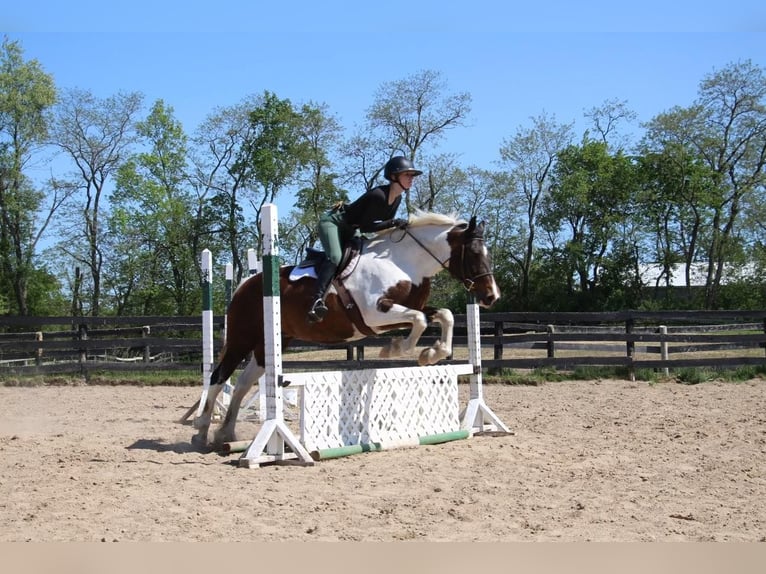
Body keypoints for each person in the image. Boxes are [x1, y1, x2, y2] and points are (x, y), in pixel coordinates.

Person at [306, 156, 423, 324]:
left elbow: (379, 226)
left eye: (412, 176)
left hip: (352, 228)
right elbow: (367, 227)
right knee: (336, 258)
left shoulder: (397, 198)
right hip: (333, 223)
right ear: (394, 176)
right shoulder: (378, 195)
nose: (411, 179)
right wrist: (392, 222)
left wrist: (398, 227)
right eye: (408, 175)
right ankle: (316, 300)